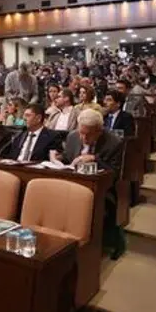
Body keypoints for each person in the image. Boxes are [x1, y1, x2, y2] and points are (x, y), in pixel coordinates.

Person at [50, 109, 125, 258]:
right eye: (81, 133)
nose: (83, 138)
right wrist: (57, 158)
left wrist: (94, 159)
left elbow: (114, 174)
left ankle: (90, 248)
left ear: (99, 130)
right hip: (71, 183)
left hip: (101, 191)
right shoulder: (72, 137)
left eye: (88, 134)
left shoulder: (114, 142)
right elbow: (67, 159)